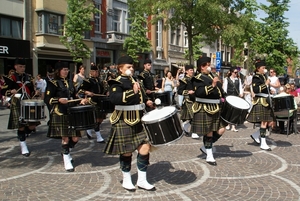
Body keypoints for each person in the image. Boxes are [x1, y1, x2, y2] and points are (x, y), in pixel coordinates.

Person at [104, 55, 155, 191]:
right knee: (126, 152)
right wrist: (133, 92)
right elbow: (115, 99)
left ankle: (142, 180)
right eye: (128, 67)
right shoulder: (116, 82)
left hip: (138, 119)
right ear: (121, 69)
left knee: (144, 149)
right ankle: (127, 179)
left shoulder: (136, 80)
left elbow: (141, 96)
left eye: (132, 67)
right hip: (123, 120)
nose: (131, 69)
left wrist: (147, 101)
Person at [44, 61, 87, 172]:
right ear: (58, 71)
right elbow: (47, 99)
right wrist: (58, 100)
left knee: (76, 137)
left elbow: (74, 95)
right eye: (64, 69)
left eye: (67, 70)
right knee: (65, 137)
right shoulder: (53, 83)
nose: (66, 72)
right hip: (60, 112)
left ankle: (65, 151)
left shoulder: (70, 82)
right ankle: (67, 159)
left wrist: (81, 100)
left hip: (71, 112)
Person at [191, 57, 227, 166]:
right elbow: (200, 92)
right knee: (210, 132)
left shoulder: (212, 76)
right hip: (205, 107)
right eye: (207, 64)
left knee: (221, 129)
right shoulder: (197, 78)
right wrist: (213, 85)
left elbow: (220, 91)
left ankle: (206, 147)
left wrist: (225, 97)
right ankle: (209, 155)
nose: (209, 66)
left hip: (216, 107)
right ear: (202, 66)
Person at [1, 58, 40, 157]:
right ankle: (23, 145)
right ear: (15, 67)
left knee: (32, 125)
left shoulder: (28, 77)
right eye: (20, 67)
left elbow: (31, 90)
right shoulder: (10, 77)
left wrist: (35, 92)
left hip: (28, 102)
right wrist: (10, 92)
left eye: (24, 67)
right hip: (17, 103)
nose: (22, 68)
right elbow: (3, 91)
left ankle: (22, 135)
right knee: (21, 126)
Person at [248, 60, 273, 151]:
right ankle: (263, 143)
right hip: (261, 101)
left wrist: (269, 90)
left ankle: (256, 135)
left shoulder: (263, 76)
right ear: (258, 68)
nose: (264, 69)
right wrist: (265, 84)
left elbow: (265, 88)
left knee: (269, 122)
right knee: (264, 122)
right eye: (263, 68)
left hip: (266, 100)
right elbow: (256, 89)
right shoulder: (256, 77)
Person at [78, 65, 106, 143]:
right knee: (96, 119)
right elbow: (80, 90)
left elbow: (103, 90)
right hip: (92, 101)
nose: (96, 73)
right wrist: (88, 92)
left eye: (97, 71)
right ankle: (99, 137)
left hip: (100, 100)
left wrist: (106, 92)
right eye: (94, 71)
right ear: (91, 72)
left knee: (100, 119)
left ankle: (89, 129)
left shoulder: (100, 80)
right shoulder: (87, 81)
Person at [177, 65, 198, 138]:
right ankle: (194, 132)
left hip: (194, 99)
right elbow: (179, 91)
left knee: (194, 116)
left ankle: (185, 126)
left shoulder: (194, 79)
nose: (192, 72)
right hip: (188, 100)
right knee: (194, 116)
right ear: (186, 71)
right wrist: (188, 92)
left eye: (192, 70)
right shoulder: (184, 80)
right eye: (190, 70)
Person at [222, 67, 244, 132]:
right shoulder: (227, 79)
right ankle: (228, 124)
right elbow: (225, 89)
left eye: (237, 72)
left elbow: (240, 87)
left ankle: (233, 126)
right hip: (229, 97)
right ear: (231, 72)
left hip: (236, 97)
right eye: (235, 72)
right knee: (229, 111)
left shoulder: (238, 80)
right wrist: (225, 97)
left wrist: (241, 93)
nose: (236, 74)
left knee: (235, 112)